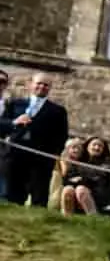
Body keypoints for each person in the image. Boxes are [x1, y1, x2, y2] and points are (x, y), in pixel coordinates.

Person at [4, 74, 71, 205]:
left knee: (39, 196)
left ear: (50, 88)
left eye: (46, 85)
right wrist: (14, 122)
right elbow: (4, 124)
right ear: (31, 84)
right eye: (39, 83)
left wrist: (52, 154)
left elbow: (62, 135)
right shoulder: (15, 104)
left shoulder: (58, 111)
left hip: (41, 160)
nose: (42, 87)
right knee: (12, 194)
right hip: (15, 156)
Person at [56, 136, 110, 216]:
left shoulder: (107, 162)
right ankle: (67, 218)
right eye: (94, 145)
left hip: (99, 195)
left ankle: (93, 217)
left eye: (100, 146)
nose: (97, 148)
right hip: (77, 192)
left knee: (81, 189)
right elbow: (68, 178)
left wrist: (81, 178)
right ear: (87, 146)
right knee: (67, 189)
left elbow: (99, 177)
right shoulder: (79, 159)